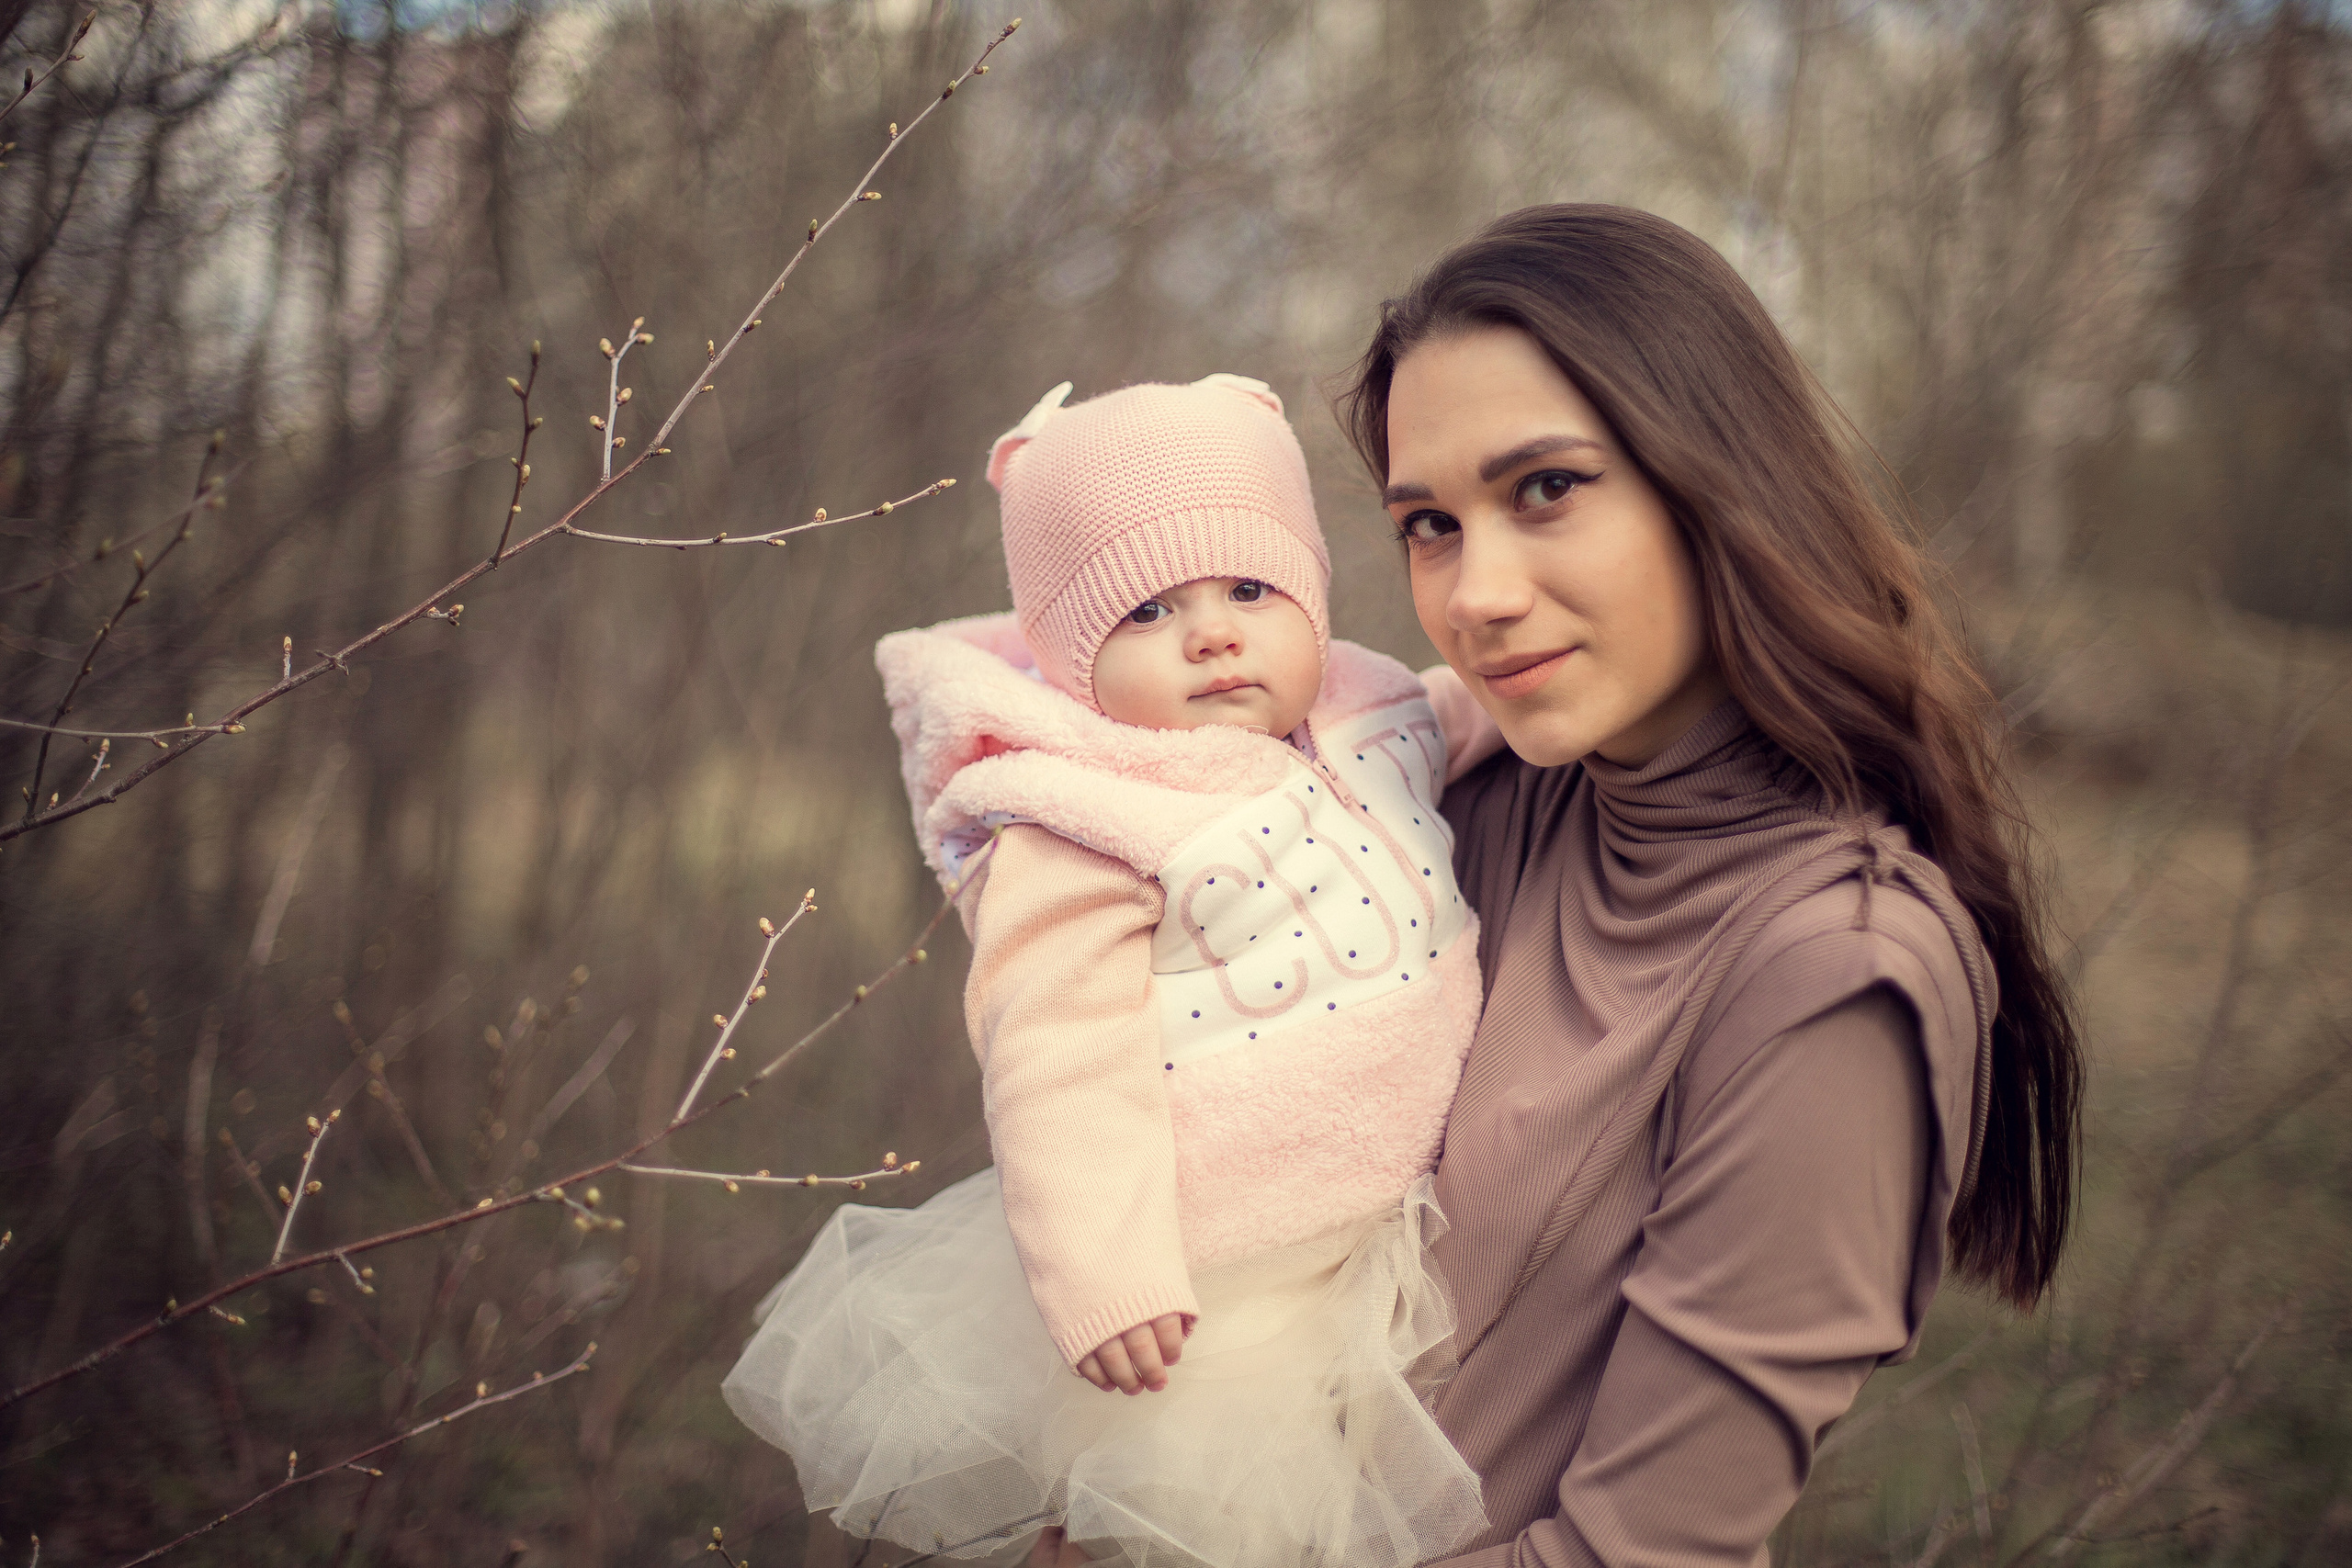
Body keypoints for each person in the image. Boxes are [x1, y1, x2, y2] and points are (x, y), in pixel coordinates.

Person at [1282, 203, 2077, 1567]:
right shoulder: (1459, 806)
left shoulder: (1837, 974)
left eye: (1545, 489)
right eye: (1429, 522)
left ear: (1716, 480)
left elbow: (1640, 1556)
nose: (1477, 593)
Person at [724, 373, 1503, 1567]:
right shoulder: (1082, 820)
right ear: (1071, 662)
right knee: (1171, 1535)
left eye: (1251, 587)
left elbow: (1486, 709)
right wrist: (1107, 1272)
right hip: (1211, 1292)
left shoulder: (1380, 714)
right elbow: (1059, 1055)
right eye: (1147, 611)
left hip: (1388, 1246)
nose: (1212, 631)